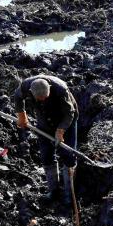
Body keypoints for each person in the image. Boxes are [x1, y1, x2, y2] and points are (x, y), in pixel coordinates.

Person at [13, 75, 79, 204]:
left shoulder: (61, 89)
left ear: (49, 89)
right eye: (39, 99)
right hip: (44, 122)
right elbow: (17, 97)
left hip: (66, 121)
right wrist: (21, 115)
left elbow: (69, 113)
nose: (42, 100)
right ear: (31, 93)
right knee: (46, 155)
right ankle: (53, 191)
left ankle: (69, 194)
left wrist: (60, 131)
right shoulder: (26, 86)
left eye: (45, 98)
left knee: (69, 156)